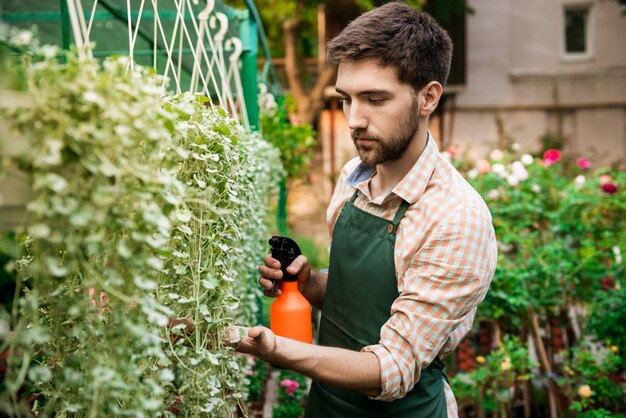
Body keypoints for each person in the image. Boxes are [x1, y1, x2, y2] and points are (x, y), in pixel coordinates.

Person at [234, 2, 497, 417]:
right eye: (346, 99)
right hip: (325, 405)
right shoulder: (353, 179)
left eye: (375, 99)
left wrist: (279, 350)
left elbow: (391, 368)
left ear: (427, 97)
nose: (355, 119)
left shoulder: (455, 216)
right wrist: (308, 284)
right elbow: (353, 301)